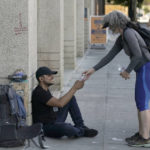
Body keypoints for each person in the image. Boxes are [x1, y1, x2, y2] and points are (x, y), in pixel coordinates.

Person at [83, 10, 150, 147]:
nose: (110, 29)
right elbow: (109, 56)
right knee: (140, 102)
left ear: (115, 24)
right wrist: (93, 69)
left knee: (143, 103)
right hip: (142, 69)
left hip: (146, 68)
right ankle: (143, 133)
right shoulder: (122, 37)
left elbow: (137, 55)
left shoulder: (129, 33)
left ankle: (145, 138)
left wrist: (127, 71)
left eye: (110, 26)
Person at [31, 66, 98, 138]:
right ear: (41, 79)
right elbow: (60, 104)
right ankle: (81, 131)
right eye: (49, 75)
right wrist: (75, 88)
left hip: (54, 119)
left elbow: (57, 104)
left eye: (52, 75)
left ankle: (80, 125)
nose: (52, 77)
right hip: (46, 127)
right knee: (66, 128)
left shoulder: (45, 89)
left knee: (70, 98)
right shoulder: (39, 92)